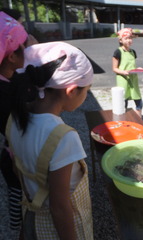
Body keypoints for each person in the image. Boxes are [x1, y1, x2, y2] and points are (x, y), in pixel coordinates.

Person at [6, 41, 94, 239]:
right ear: (71, 91)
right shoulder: (64, 137)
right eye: (86, 90)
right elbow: (60, 207)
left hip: (32, 216)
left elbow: (15, 168)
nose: (86, 95)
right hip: (58, 229)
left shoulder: (14, 119)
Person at [0, 11, 28, 231]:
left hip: (8, 154)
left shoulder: (10, 77)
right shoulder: (8, 91)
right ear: (11, 56)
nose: (28, 50)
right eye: (24, 46)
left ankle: (17, 226)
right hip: (17, 158)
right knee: (21, 197)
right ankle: (20, 230)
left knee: (15, 194)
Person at [112, 28, 143, 117]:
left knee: (139, 101)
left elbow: (132, 66)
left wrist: (138, 69)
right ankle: (123, 119)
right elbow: (114, 68)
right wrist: (123, 72)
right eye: (126, 38)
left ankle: (139, 119)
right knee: (123, 102)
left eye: (130, 38)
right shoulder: (118, 52)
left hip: (133, 79)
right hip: (123, 80)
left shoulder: (133, 52)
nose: (129, 40)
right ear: (120, 40)